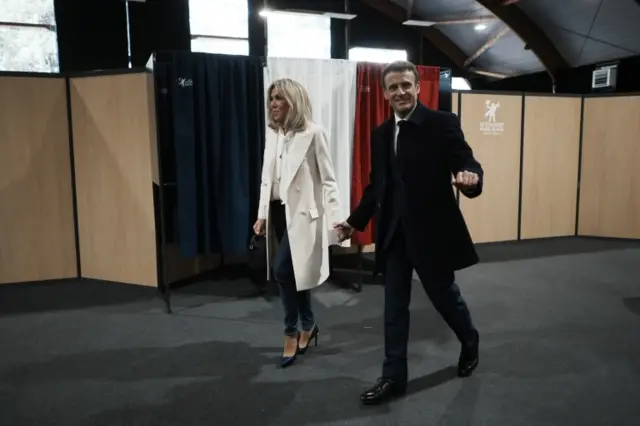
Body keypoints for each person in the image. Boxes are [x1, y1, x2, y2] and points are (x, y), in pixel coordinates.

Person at [335, 61, 483, 405]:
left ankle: (470, 339)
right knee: (394, 307)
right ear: (385, 94)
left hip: (432, 234)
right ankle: (393, 377)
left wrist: (470, 179)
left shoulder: (441, 123)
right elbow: (377, 186)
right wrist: (353, 222)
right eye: (393, 87)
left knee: (445, 298)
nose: (400, 92)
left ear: (417, 87)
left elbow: (466, 162)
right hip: (394, 235)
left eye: (406, 85)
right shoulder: (381, 134)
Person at [253, 78, 343, 369]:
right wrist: (262, 215)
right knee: (296, 273)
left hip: (304, 216)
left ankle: (291, 332)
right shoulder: (273, 134)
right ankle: (309, 325)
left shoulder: (314, 133)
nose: (273, 104)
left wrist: (337, 219)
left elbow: (329, 180)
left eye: (279, 98)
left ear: (294, 101)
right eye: (271, 99)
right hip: (278, 212)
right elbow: (268, 178)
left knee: (282, 271)